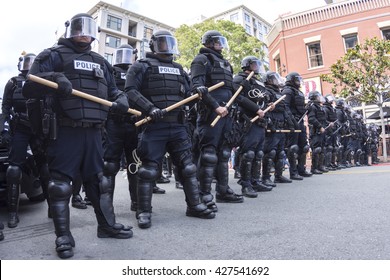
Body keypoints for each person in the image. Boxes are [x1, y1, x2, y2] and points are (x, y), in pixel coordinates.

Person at [22, 13, 133, 259]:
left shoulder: (100, 61)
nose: (85, 33)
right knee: (60, 186)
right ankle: (63, 237)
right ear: (70, 30)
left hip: (94, 131)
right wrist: (52, 78)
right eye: (79, 28)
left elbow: (113, 91)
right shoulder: (51, 55)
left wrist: (121, 98)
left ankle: (107, 226)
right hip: (64, 130)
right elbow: (28, 87)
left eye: (89, 29)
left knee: (99, 182)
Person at [125, 29, 215, 229]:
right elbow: (130, 91)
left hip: (177, 125)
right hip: (154, 125)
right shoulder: (141, 66)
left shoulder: (179, 68)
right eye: (163, 43)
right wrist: (150, 108)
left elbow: (189, 91)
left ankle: (194, 205)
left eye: (170, 43)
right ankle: (144, 211)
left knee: (188, 168)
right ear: (154, 45)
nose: (167, 47)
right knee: (148, 170)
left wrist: (198, 91)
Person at [190, 30, 265, 210]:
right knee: (208, 155)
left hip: (227, 113)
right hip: (212, 112)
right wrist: (216, 106)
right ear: (209, 42)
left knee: (224, 153)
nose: (220, 45)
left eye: (221, 41)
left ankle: (223, 190)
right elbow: (197, 87)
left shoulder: (225, 64)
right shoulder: (201, 60)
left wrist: (244, 94)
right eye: (217, 42)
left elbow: (234, 94)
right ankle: (204, 194)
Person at [0, 52, 50, 228]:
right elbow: (5, 107)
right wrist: (4, 129)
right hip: (19, 128)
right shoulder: (13, 83)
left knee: (44, 167)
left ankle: (53, 208)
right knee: (14, 169)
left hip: (38, 129)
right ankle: (13, 213)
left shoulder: (43, 82)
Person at [102, 43, 142, 213]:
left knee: (135, 164)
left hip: (134, 123)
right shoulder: (110, 72)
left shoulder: (138, 71)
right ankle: (107, 204)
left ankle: (137, 202)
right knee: (110, 165)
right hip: (114, 122)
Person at [233, 56, 272, 197]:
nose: (257, 67)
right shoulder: (239, 79)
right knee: (248, 154)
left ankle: (255, 181)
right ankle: (245, 184)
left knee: (258, 153)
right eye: (254, 64)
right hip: (248, 120)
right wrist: (256, 109)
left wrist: (269, 106)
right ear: (247, 65)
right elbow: (238, 97)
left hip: (261, 121)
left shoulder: (258, 82)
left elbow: (263, 98)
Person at [262, 71, 294, 186]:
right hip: (272, 125)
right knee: (270, 152)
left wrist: (290, 124)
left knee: (280, 153)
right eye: (274, 78)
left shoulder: (279, 93)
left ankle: (279, 176)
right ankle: (265, 177)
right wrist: (269, 124)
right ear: (268, 80)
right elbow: (264, 108)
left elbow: (285, 110)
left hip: (281, 125)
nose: (276, 80)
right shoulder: (266, 91)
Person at [282, 72, 312, 179]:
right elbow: (285, 107)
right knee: (293, 148)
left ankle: (301, 169)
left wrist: (306, 108)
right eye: (297, 79)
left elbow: (299, 108)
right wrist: (291, 121)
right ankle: (293, 172)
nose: (299, 81)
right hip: (293, 122)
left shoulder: (298, 92)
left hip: (300, 122)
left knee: (304, 147)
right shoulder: (287, 90)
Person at [306, 91, 329, 174]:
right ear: (314, 97)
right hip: (316, 131)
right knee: (317, 149)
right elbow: (311, 119)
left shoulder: (319, 106)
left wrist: (328, 124)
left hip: (322, 131)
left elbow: (322, 118)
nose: (320, 97)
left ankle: (320, 166)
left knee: (322, 149)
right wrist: (319, 126)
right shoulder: (312, 106)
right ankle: (314, 168)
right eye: (318, 96)